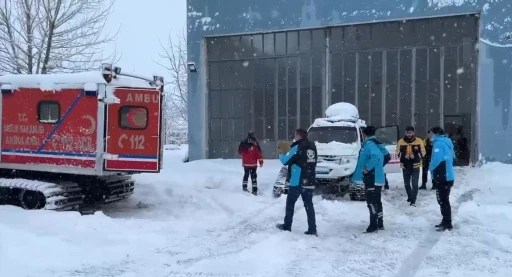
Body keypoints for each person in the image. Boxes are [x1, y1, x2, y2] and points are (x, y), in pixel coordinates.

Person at [276, 128, 318, 236]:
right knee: (309, 205)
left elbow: (285, 160)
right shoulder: (312, 147)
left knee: (290, 203)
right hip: (310, 180)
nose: (295, 137)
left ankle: (287, 225)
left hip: (298, 180)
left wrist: (281, 153)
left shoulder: (297, 147)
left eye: (296, 135)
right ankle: (312, 229)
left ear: (299, 136)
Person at [351, 126, 385, 233]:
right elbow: (384, 156)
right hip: (377, 177)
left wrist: (367, 168)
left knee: (371, 202)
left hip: (372, 178)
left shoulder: (369, 144)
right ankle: (380, 223)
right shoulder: (376, 143)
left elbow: (375, 157)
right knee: (377, 201)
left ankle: (373, 225)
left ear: (364, 134)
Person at [428, 126, 455, 232]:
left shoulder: (438, 143)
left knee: (443, 200)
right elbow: (453, 157)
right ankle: (446, 221)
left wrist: (430, 167)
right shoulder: (448, 143)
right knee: (444, 199)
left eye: (432, 134)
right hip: (448, 175)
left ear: (437, 134)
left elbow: (437, 158)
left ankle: (447, 222)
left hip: (442, 175)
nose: (431, 136)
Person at [396, 126, 426, 206]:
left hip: (415, 164)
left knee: (415, 183)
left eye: (410, 132)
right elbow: (397, 153)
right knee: (406, 183)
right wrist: (403, 155)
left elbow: (423, 153)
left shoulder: (419, 141)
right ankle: (410, 196)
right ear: (405, 133)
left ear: (413, 133)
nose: (409, 134)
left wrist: (415, 155)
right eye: (407, 132)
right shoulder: (401, 141)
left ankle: (413, 199)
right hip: (405, 164)